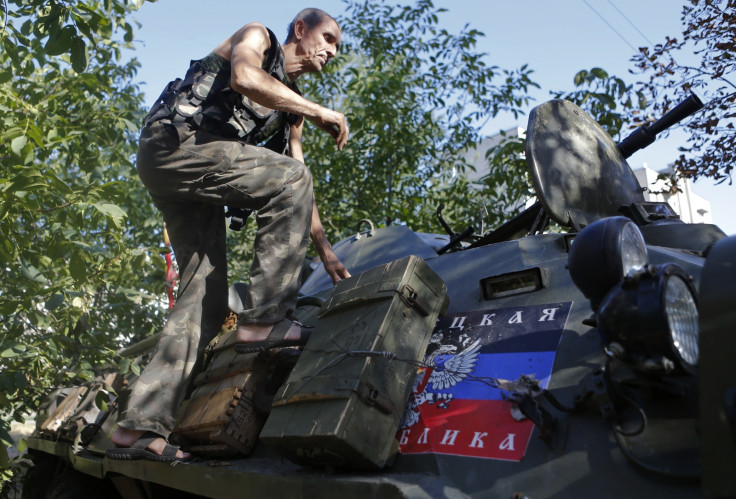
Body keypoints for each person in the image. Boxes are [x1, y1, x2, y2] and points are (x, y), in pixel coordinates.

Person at [107, 8, 350, 462]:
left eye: (337, 46)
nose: (332, 51)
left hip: (190, 182)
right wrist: (317, 110)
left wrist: (325, 249)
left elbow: (297, 175)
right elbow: (243, 78)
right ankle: (264, 321)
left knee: (206, 301)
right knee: (289, 184)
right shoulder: (258, 38)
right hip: (174, 146)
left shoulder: (288, 107)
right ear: (300, 29)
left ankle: (137, 429)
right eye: (329, 38)